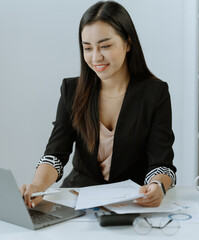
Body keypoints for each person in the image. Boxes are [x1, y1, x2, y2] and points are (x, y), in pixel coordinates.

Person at [20, 1, 176, 209]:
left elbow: (162, 163)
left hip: (131, 202)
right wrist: (37, 186)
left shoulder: (155, 93)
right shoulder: (71, 91)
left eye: (105, 46)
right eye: (87, 48)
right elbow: (56, 154)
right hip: (78, 199)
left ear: (128, 43)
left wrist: (158, 186)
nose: (96, 57)